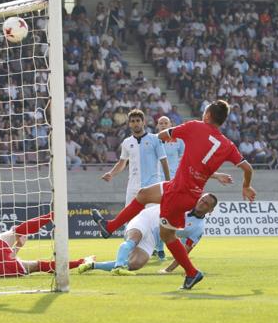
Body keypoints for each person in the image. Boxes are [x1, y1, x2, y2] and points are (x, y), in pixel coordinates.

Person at [92, 100, 256, 290]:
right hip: (184, 190)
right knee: (144, 195)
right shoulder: (228, 145)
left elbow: (163, 135)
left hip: (179, 192)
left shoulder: (195, 126)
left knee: (167, 235)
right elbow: (247, 167)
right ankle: (109, 227)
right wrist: (246, 186)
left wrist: (166, 136)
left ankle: (192, 273)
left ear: (208, 115)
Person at [79, 193, 220, 276]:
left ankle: (92, 265)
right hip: (146, 219)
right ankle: (118, 267)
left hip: (154, 237)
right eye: (202, 199)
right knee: (133, 239)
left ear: (211, 210)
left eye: (206, 204)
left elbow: (184, 252)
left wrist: (168, 270)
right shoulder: (185, 201)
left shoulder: (198, 229)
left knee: (136, 264)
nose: (201, 203)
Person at [0, 190, 92, 276]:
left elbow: (9, 258)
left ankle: (81, 262)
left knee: (39, 265)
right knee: (17, 231)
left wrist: (18, 246)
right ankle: (52, 215)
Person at [101, 109, 170, 204]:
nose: (135, 123)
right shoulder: (126, 142)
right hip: (133, 187)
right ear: (129, 124)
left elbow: (164, 161)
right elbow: (122, 163)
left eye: (138, 121)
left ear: (143, 122)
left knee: (151, 216)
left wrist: (168, 183)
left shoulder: (155, 139)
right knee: (129, 217)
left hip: (152, 185)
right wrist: (111, 173)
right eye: (132, 121)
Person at [154, 115, 185, 259]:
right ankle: (159, 248)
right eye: (160, 123)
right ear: (157, 125)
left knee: (179, 213)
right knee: (159, 215)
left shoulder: (179, 140)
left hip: (176, 181)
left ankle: (183, 247)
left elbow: (184, 159)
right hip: (157, 181)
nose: (163, 125)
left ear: (170, 124)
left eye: (165, 123)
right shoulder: (154, 139)